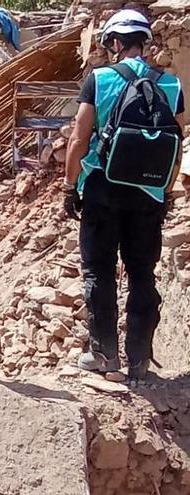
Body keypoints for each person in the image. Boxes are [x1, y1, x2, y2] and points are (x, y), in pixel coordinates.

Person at [65, 9, 185, 380]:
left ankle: (104, 357)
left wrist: (70, 187)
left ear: (115, 43)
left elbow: (78, 139)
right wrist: (163, 192)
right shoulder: (171, 85)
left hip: (103, 189)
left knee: (99, 271)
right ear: (144, 43)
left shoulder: (99, 80)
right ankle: (139, 360)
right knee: (142, 274)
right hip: (148, 193)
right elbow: (177, 145)